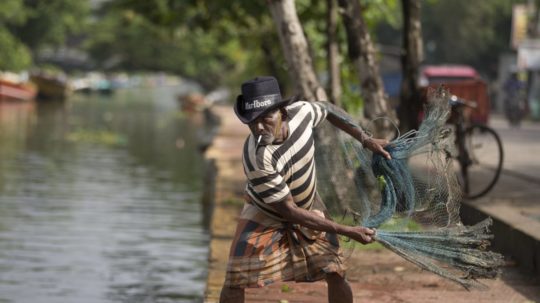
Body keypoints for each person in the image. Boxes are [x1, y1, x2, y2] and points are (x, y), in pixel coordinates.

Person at [219, 76, 391, 303]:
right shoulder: (257, 157)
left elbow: (328, 110)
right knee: (235, 280)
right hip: (265, 213)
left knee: (336, 271)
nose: (259, 127)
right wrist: (346, 230)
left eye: (266, 118)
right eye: (252, 121)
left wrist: (365, 138)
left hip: (309, 204)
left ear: (283, 112)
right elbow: (288, 211)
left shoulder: (302, 113)